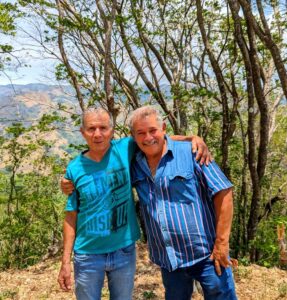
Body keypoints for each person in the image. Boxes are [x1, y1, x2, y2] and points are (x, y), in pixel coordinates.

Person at [58, 106, 211, 300]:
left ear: (112, 131)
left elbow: (155, 139)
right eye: (91, 129)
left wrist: (192, 139)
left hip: (124, 250)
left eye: (103, 128)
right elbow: (71, 216)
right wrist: (65, 262)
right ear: (82, 132)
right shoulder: (74, 169)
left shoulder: (124, 148)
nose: (98, 134)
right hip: (88, 254)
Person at [129, 106, 237, 300]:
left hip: (207, 256)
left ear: (163, 128)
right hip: (169, 260)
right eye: (141, 133)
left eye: (153, 130)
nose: (148, 137)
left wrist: (222, 243)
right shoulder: (134, 163)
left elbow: (224, 192)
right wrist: (70, 180)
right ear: (133, 136)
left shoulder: (192, 153)